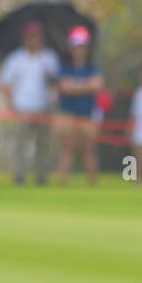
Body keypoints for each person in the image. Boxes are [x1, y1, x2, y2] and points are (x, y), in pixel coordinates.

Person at [0, 19, 59, 184]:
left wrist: (49, 77)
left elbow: (57, 84)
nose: (34, 40)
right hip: (22, 108)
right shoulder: (15, 59)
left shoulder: (49, 58)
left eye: (37, 36)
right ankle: (19, 174)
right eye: (31, 36)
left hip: (43, 108)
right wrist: (11, 106)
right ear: (24, 38)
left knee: (43, 145)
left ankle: (41, 176)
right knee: (20, 145)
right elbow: (6, 84)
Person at [56, 25, 103, 186]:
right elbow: (64, 87)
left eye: (82, 46)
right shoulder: (65, 67)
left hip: (87, 113)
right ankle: (62, 182)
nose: (79, 50)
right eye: (76, 46)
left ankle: (92, 184)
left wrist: (74, 86)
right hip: (68, 113)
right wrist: (85, 86)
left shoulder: (92, 67)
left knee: (89, 149)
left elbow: (97, 85)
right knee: (67, 148)